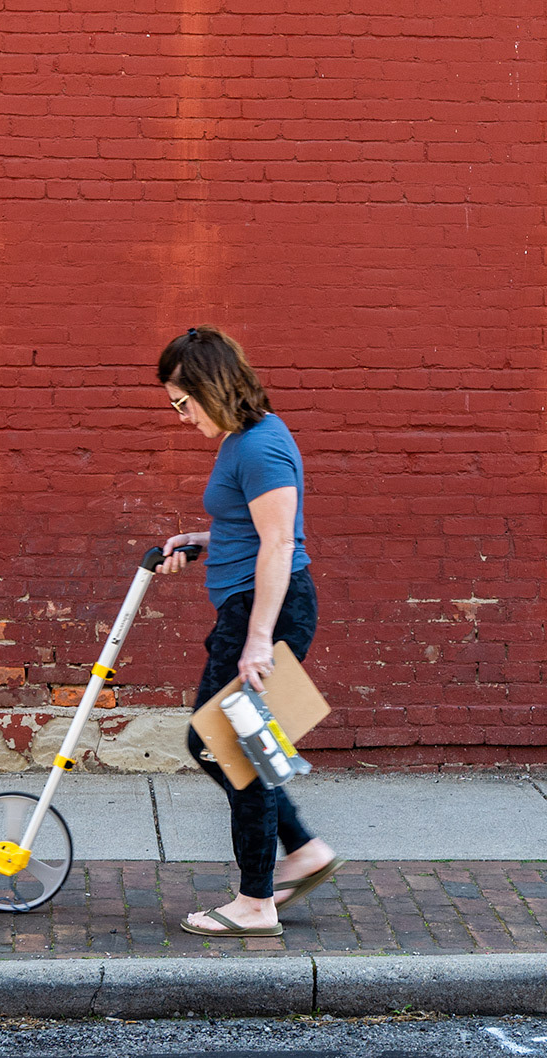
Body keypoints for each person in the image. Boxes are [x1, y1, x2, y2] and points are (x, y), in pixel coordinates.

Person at [155, 326, 340, 938]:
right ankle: (302, 852)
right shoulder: (242, 439)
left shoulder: (260, 446)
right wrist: (202, 541)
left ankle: (256, 903)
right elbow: (254, 530)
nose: (178, 415)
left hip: (264, 614)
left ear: (210, 387)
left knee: (229, 748)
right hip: (249, 608)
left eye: (182, 401)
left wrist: (259, 640)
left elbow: (282, 544)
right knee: (234, 745)